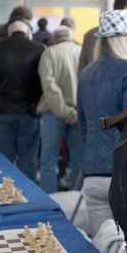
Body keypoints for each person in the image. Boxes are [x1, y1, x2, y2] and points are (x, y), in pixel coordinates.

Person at [77, 10, 127, 237]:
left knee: (101, 246)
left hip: (92, 173)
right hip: (122, 173)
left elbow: (83, 126)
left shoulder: (87, 73)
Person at [0, 20, 44, 180]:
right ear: (28, 32)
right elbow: (44, 80)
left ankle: (6, 191)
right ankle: (28, 192)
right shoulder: (39, 49)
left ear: (9, 32)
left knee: (4, 158)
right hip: (30, 111)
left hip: (2, 110)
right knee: (28, 158)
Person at [37, 25, 83, 193]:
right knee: (79, 161)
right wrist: (73, 113)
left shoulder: (49, 53)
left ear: (54, 39)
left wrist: (63, 111)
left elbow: (50, 87)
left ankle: (48, 199)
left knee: (48, 161)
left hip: (53, 112)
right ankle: (77, 198)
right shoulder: (81, 52)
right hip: (77, 113)